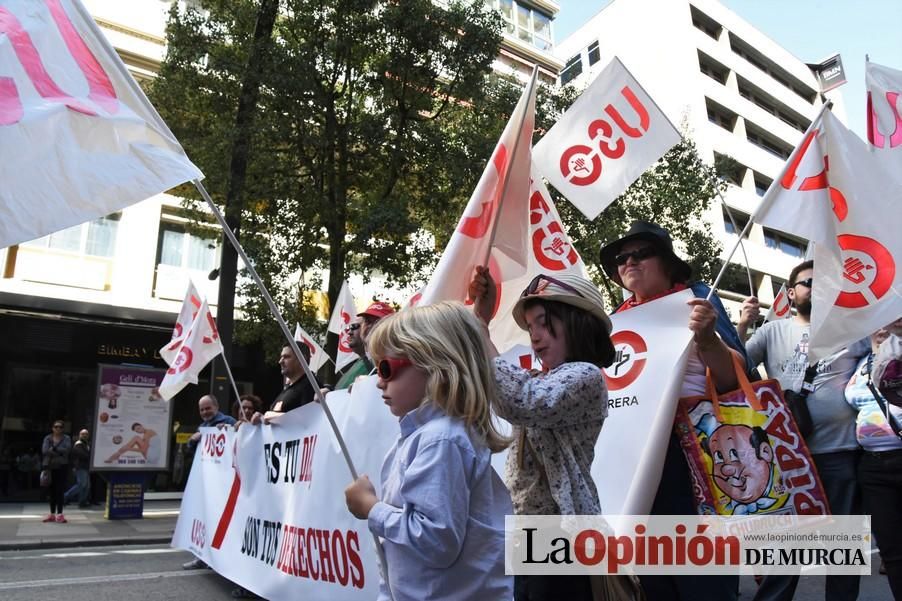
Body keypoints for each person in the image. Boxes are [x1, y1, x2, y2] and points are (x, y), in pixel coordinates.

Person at [598, 220, 752, 601]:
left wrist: (707, 338)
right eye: (622, 257)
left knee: (705, 579)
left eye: (641, 253)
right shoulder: (613, 320)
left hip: (694, 459)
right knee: (654, 580)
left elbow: (735, 377)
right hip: (635, 464)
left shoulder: (697, 301)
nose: (629, 261)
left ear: (667, 263)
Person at [344, 301, 512, 601]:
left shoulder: (441, 440)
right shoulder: (423, 437)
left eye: (386, 367)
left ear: (436, 366)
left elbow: (436, 541)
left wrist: (372, 508)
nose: (379, 381)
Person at [469, 268, 617, 601]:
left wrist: (479, 327)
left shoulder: (586, 377)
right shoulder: (543, 378)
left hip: (561, 537)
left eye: (544, 322)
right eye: (531, 326)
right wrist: (479, 321)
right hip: (529, 535)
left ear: (578, 322)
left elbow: (521, 399)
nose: (534, 336)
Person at [739, 259, 868, 601]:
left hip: (841, 452)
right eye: (807, 282)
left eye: (822, 282)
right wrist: (742, 325)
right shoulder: (771, 331)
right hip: (787, 456)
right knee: (786, 546)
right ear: (792, 293)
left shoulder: (852, 331)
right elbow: (735, 364)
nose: (815, 286)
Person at [846, 322, 902, 598]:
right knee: (892, 549)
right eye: (876, 321)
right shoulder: (860, 363)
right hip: (872, 466)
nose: (884, 327)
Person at [183, 394, 235, 571]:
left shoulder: (227, 421)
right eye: (202, 409)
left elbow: (238, 438)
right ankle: (201, 558)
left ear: (216, 407)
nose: (205, 412)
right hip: (206, 485)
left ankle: (216, 560)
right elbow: (191, 452)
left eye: (208, 408)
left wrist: (229, 429)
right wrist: (192, 440)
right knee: (204, 522)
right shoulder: (203, 426)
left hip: (221, 485)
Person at [335, 301, 395, 390]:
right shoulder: (362, 361)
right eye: (367, 321)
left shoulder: (395, 359)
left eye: (377, 322)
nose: (370, 326)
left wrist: (368, 386)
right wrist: (328, 392)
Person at [252, 345, 318, 424]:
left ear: (302, 359)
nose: (280, 361)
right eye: (281, 357)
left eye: (286, 357)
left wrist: (271, 417)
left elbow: (309, 420)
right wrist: (260, 419)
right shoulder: (287, 390)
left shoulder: (311, 385)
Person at [41, 421, 72, 523]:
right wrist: (58, 451)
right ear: (52, 428)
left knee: (60, 490)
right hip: (49, 467)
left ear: (63, 429)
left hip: (62, 466)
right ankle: (52, 514)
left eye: (60, 427)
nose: (58, 429)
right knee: (51, 491)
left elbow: (67, 449)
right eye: (56, 427)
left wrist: (53, 449)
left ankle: (60, 514)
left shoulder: (66, 438)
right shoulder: (48, 438)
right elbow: (44, 450)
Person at [64, 429, 91, 507]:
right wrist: (90, 455)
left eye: (86, 434)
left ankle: (82, 502)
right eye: (83, 434)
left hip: (85, 467)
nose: (84, 435)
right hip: (80, 467)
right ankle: (65, 496)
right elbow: (82, 455)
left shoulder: (86, 444)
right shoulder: (78, 444)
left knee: (86, 486)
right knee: (81, 485)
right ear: (79, 435)